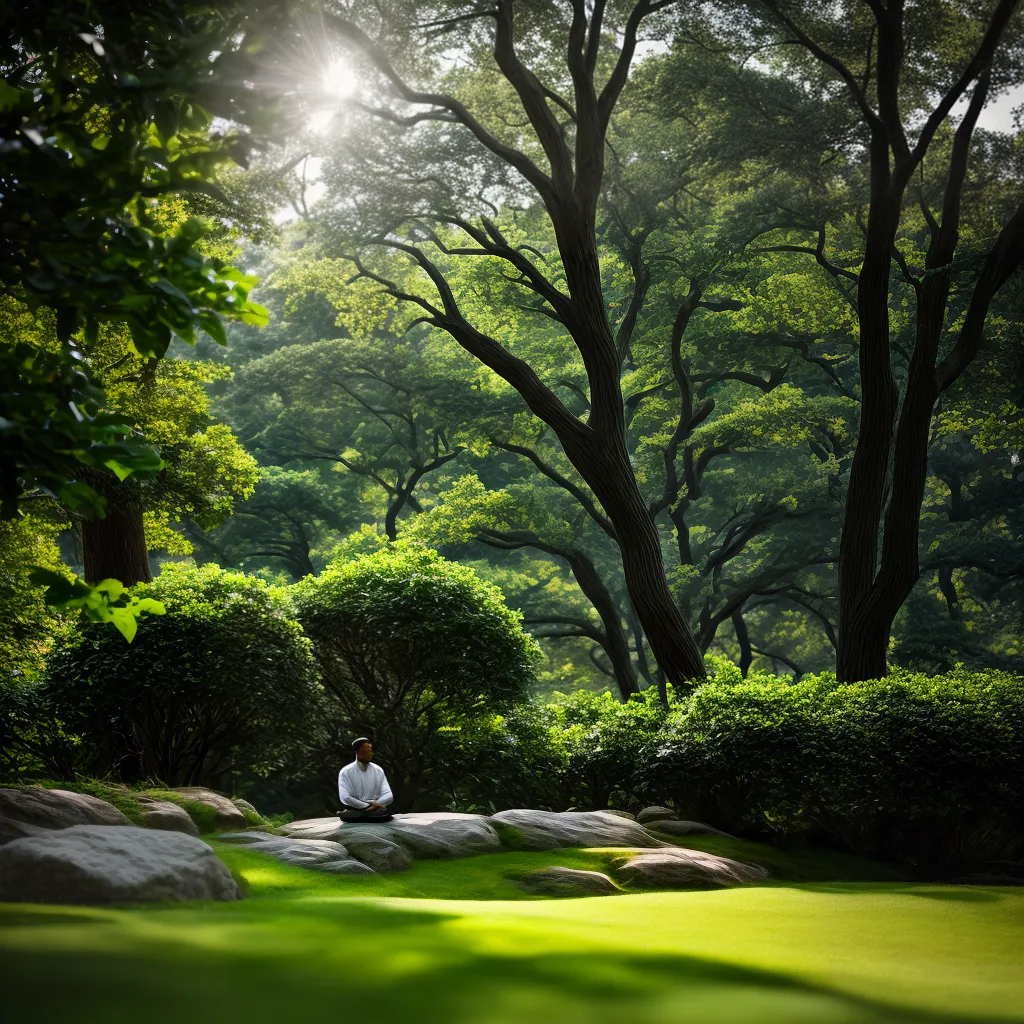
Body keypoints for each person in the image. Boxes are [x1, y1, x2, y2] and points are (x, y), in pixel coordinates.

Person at [337, 737, 394, 823]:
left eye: (370, 750)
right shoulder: (346, 772)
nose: (370, 753)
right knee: (353, 815)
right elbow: (345, 797)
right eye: (367, 751)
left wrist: (375, 805)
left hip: (376, 811)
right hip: (355, 811)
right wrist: (366, 805)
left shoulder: (378, 770)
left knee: (382, 814)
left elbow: (389, 795)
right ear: (358, 752)